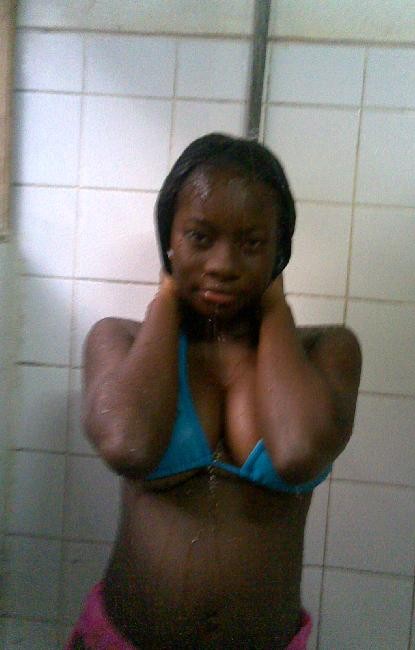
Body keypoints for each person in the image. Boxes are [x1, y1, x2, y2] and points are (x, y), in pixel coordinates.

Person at [66, 133, 362, 649]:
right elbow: (128, 444)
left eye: (251, 244)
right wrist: (166, 298)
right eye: (200, 237)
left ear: (279, 251)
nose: (223, 264)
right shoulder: (119, 340)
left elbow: (296, 452)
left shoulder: (327, 350)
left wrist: (275, 307)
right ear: (169, 239)